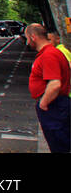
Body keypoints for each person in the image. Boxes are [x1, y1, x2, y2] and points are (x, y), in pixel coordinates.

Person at [25, 23, 70, 154]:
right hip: (56, 104)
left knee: (59, 144)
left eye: (27, 38)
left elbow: (55, 84)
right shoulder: (49, 53)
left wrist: (43, 104)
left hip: (54, 105)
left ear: (33, 37)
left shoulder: (49, 55)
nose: (27, 42)